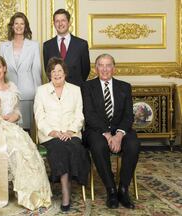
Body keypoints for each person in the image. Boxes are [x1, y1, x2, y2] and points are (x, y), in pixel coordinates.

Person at [0, 55, 52, 210]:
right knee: (16, 147)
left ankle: (32, 192)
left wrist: (11, 118)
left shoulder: (12, 87)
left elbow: (17, 112)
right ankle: (19, 192)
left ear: (5, 68)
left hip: (9, 127)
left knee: (27, 148)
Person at [82, 54, 140, 209]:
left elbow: (128, 115)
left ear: (114, 68)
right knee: (98, 145)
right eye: (101, 65)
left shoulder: (124, 87)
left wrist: (119, 135)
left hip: (120, 129)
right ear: (96, 68)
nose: (105, 69)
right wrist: (107, 134)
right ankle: (111, 190)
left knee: (133, 143)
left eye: (108, 65)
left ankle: (123, 189)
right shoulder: (87, 87)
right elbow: (89, 114)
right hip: (96, 130)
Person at [34, 57, 90, 212]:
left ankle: (67, 185)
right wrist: (53, 132)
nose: (57, 74)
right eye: (53, 71)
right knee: (60, 148)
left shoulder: (75, 89)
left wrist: (70, 131)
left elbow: (80, 115)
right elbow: (39, 116)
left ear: (65, 73)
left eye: (59, 70)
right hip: (50, 135)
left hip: (71, 133)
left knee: (74, 148)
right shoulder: (41, 90)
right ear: (49, 74)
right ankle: (66, 190)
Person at [0, 12, 42, 130]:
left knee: (26, 130)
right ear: (12, 26)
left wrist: (38, 94)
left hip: (27, 94)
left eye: (22, 24)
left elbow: (36, 70)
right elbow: (1, 72)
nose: (19, 26)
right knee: (9, 129)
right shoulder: (4, 46)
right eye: (16, 23)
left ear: (26, 26)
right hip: (9, 94)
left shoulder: (33, 45)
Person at [43, 9, 90, 87]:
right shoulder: (47, 45)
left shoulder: (81, 44)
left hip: (76, 89)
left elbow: (85, 70)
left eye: (63, 20)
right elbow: (47, 70)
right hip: (55, 90)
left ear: (69, 22)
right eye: (57, 21)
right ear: (54, 24)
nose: (60, 24)